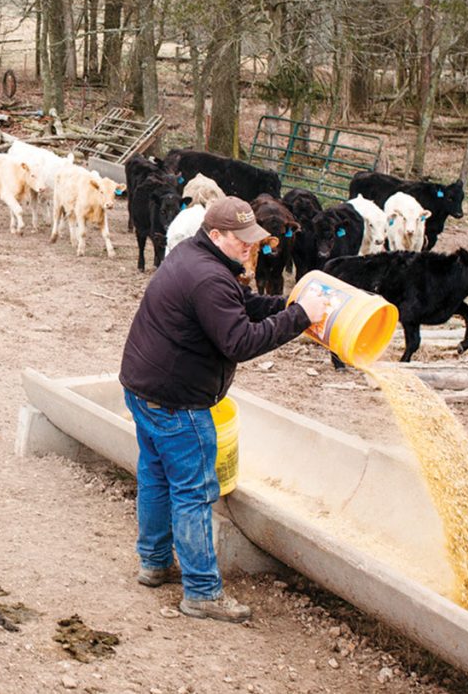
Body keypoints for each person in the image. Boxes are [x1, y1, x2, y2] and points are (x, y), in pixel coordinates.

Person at [120, 195, 328, 623]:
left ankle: (154, 563)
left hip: (143, 388)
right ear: (216, 235)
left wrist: (289, 308)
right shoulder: (209, 278)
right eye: (241, 239)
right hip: (178, 401)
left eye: (252, 237)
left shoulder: (194, 257)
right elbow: (240, 341)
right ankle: (201, 591)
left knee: (155, 477)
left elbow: (239, 306)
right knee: (194, 491)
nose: (250, 246)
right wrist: (297, 319)